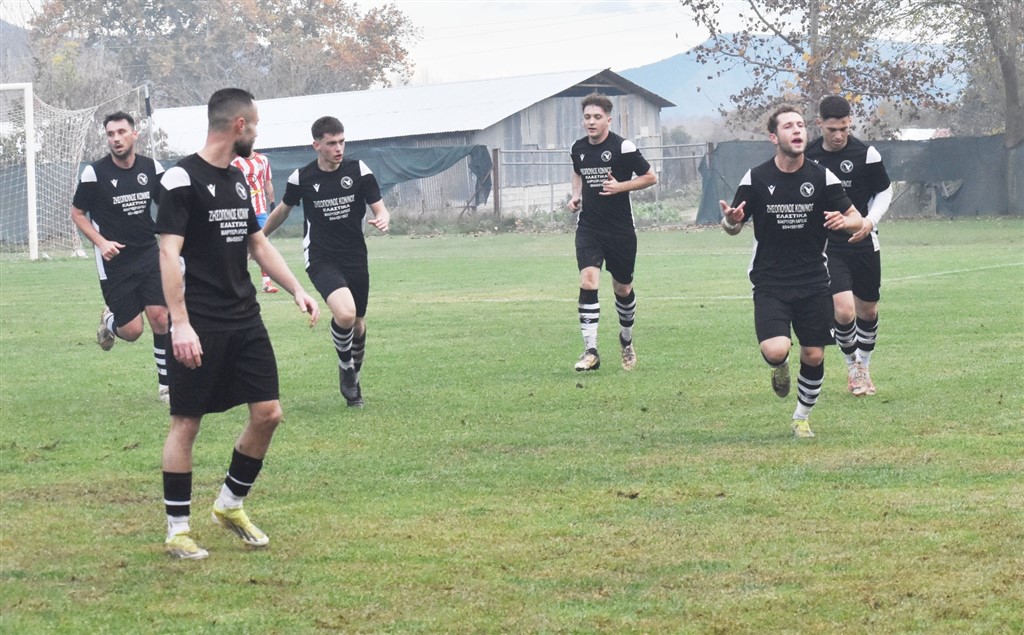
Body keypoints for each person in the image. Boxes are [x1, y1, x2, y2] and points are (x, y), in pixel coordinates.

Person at [156, 88, 320, 560]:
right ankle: (177, 530)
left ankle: (229, 505)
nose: (257, 134)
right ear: (239, 126)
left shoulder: (236, 179)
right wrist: (180, 324)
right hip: (199, 322)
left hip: (244, 317)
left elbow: (257, 243)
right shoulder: (179, 179)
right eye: (256, 125)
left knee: (268, 413)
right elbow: (167, 254)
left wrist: (297, 288)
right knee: (186, 423)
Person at [719, 105, 862, 438]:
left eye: (800, 125)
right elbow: (732, 227)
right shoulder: (756, 178)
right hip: (770, 280)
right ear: (774, 137)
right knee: (775, 349)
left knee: (813, 353)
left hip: (814, 279)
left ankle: (801, 417)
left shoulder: (822, 177)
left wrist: (846, 222)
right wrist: (730, 221)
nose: (797, 130)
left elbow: (856, 217)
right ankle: (780, 366)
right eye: (788, 126)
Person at [263, 116, 390, 408]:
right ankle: (346, 369)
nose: (338, 148)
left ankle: (354, 376)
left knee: (357, 323)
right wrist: (258, 238)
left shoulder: (359, 171)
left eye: (342, 142)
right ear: (316, 145)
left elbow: (380, 208)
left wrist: (383, 218)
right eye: (332, 143)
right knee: (345, 314)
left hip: (355, 256)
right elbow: (283, 210)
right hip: (320, 257)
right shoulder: (302, 178)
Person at [70, 111, 171, 403]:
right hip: (114, 261)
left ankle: (166, 386)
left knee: (160, 317)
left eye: (121, 132)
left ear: (134, 134)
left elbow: (168, 207)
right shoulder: (95, 173)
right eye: (111, 134)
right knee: (132, 331)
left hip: (148, 253)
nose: (116, 139)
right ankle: (109, 319)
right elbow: (77, 213)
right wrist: (101, 242)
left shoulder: (152, 168)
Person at [806, 95, 893, 397]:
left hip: (863, 240)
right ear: (819, 124)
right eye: (832, 129)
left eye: (844, 128)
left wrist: (869, 221)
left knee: (867, 311)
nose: (839, 135)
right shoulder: (809, 156)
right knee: (843, 312)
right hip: (828, 245)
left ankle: (864, 366)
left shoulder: (866, 154)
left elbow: (884, 191)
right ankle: (852, 368)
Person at [567, 92, 657, 372]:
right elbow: (578, 172)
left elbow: (650, 177)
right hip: (589, 227)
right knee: (588, 281)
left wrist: (620, 187)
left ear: (608, 119)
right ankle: (590, 351)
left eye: (597, 117)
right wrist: (576, 196)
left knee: (623, 288)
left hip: (620, 231)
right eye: (587, 117)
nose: (591, 122)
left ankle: (626, 339)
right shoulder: (578, 148)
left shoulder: (623, 147)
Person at [231, 150, 278, 293]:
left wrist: (272, 203)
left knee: (264, 244)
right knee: (239, 247)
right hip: (241, 211)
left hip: (260, 211)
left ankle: (267, 283)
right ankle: (235, 282)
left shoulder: (262, 160)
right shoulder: (234, 162)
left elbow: (267, 182)